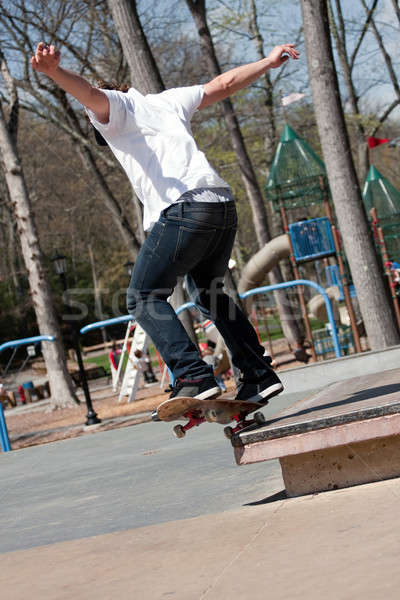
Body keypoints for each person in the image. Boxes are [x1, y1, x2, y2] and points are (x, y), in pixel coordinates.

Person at [31, 41, 299, 405]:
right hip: (221, 205)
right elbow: (223, 84)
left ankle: (192, 375)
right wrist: (266, 63)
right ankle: (258, 374)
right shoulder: (169, 100)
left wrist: (53, 72)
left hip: (186, 211)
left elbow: (90, 94)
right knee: (209, 294)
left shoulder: (117, 107)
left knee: (142, 296)